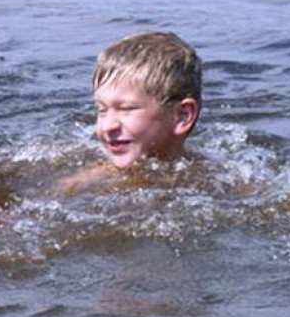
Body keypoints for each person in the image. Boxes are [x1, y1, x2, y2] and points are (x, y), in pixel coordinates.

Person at [54, 32, 202, 195]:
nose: (107, 127)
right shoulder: (80, 185)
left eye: (127, 109)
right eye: (102, 109)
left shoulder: (214, 181)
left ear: (182, 116)